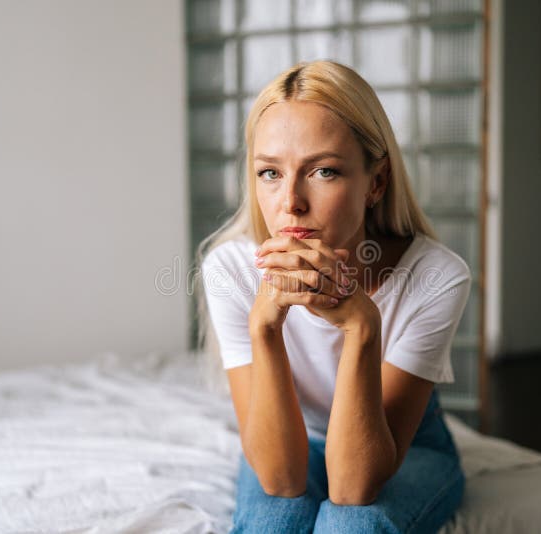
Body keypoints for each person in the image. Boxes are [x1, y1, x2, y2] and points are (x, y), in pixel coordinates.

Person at [197, 60, 471, 533]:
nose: (290, 203)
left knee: (353, 527)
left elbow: (353, 489)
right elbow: (281, 478)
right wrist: (264, 327)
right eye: (269, 173)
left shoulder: (436, 276)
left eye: (323, 171)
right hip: (291, 435)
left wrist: (363, 327)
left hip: (406, 444)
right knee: (271, 525)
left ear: (376, 182)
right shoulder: (231, 269)